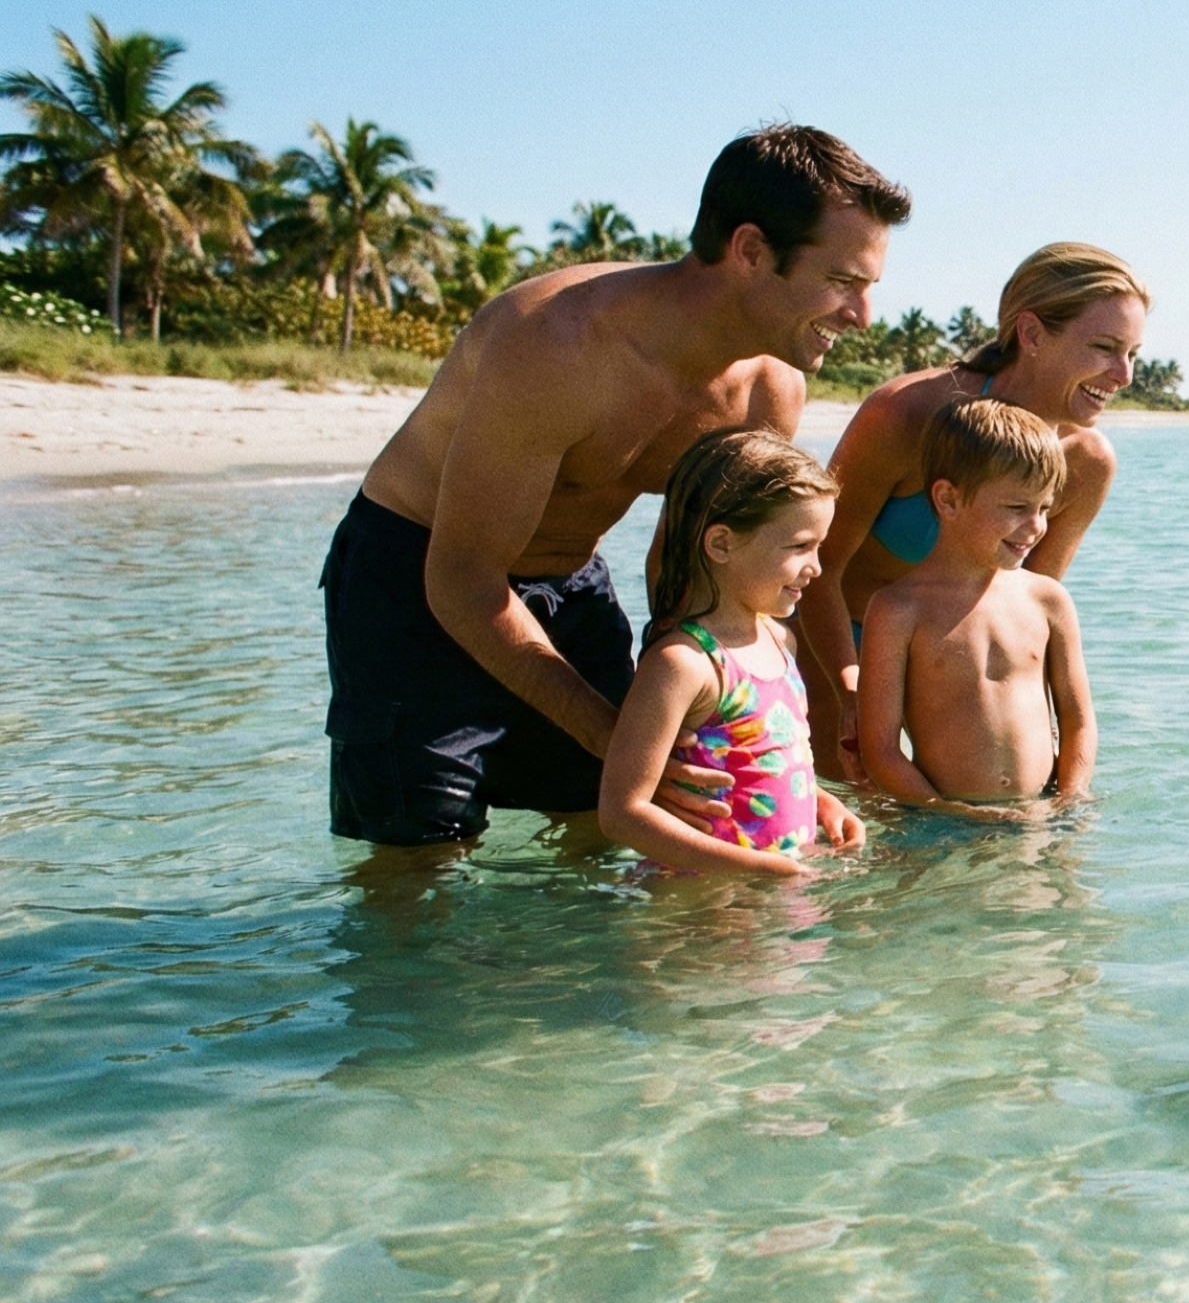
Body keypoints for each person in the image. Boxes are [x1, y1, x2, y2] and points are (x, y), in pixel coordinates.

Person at [321, 124, 909, 846]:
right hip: (419, 575)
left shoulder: (767, 392)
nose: (862, 316)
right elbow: (462, 580)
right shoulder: (560, 344)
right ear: (751, 250)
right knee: (419, 854)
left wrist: (766, 759)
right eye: (843, 282)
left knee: (601, 829)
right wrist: (627, 745)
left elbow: (697, 570)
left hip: (569, 581)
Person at [795, 242, 1144, 780]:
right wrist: (850, 690)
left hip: (955, 664)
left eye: (1133, 354)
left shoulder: (1087, 462)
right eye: (1104, 347)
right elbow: (817, 565)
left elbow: (1028, 610)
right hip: (839, 642)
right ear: (1030, 334)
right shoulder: (907, 415)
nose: (1123, 374)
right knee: (834, 824)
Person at [599, 428, 864, 875]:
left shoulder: (782, 641)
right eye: (800, 546)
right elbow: (622, 813)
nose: (816, 568)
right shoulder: (684, 663)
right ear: (722, 543)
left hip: (777, 893)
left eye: (819, 547)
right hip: (698, 909)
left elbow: (773, 764)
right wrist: (760, 869)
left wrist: (823, 803)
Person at [855, 398, 1096, 819]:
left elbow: (1078, 721)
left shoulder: (1048, 601)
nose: (1036, 525)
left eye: (1043, 508)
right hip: (940, 822)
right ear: (948, 499)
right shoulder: (898, 609)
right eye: (1017, 507)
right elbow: (880, 751)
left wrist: (1069, 801)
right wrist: (951, 811)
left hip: (1041, 816)